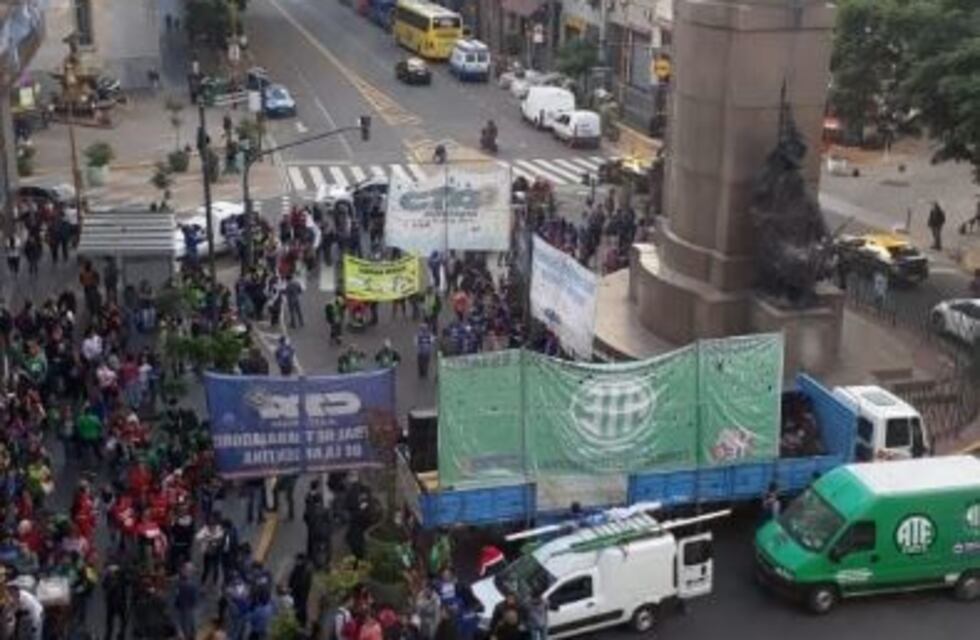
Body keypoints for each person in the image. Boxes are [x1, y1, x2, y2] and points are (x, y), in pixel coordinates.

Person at [175, 563, 200, 640]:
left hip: (189, 610)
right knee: (188, 631)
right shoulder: (179, 585)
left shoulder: (192, 583)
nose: (188, 572)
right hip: (185, 610)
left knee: (191, 630)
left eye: (190, 571)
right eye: (187, 570)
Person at [288, 553, 314, 627]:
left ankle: (301, 623)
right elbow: (292, 579)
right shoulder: (299, 568)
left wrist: (292, 588)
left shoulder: (304, 572)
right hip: (298, 594)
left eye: (298, 560)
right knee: (298, 608)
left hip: (300, 594)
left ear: (301, 561)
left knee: (300, 608)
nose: (296, 561)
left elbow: (300, 584)